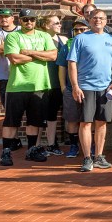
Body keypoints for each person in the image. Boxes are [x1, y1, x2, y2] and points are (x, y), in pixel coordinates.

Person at [0, 11, 58, 166]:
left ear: (35, 20)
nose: (28, 22)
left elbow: (53, 56)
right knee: (11, 122)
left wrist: (29, 52)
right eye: (25, 19)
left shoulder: (44, 36)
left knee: (35, 121)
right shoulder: (13, 36)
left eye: (31, 19)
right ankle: (6, 152)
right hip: (17, 86)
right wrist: (40, 55)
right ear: (20, 20)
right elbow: (15, 58)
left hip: (39, 85)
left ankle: (31, 149)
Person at [67, 9, 112, 172]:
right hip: (86, 87)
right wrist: (75, 86)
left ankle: (98, 156)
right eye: (95, 18)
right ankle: (87, 158)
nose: (98, 20)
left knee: (102, 122)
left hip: (105, 88)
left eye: (101, 18)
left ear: (106, 21)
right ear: (89, 20)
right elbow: (72, 63)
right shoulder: (80, 38)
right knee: (85, 123)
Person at [57, 18, 89, 158]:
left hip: (90, 88)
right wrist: (63, 87)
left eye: (83, 29)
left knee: (89, 119)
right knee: (72, 119)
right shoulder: (68, 45)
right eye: (77, 30)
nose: (79, 32)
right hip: (71, 89)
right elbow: (62, 67)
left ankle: (89, 146)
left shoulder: (93, 43)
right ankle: (74, 145)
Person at [37, 15, 66, 156]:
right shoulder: (39, 39)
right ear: (47, 25)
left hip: (56, 83)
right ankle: (35, 146)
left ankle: (51, 144)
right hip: (41, 82)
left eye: (60, 23)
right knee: (38, 115)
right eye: (56, 23)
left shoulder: (63, 40)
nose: (60, 25)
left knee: (52, 114)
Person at [0, 8, 20, 108]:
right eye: (1, 17)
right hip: (5, 75)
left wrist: (4, 46)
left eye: (6, 17)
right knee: (7, 105)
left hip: (22, 74)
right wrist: (17, 46)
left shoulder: (21, 30)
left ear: (12, 18)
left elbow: (27, 47)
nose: (3, 19)